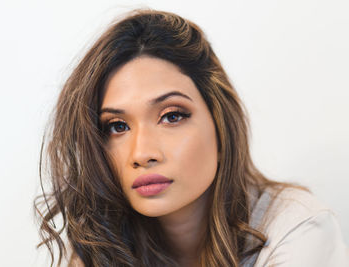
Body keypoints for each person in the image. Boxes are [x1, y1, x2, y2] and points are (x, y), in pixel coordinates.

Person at [34, 9, 349, 267]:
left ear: (220, 123)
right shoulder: (102, 245)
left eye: (172, 116)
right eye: (117, 126)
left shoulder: (298, 231)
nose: (142, 153)